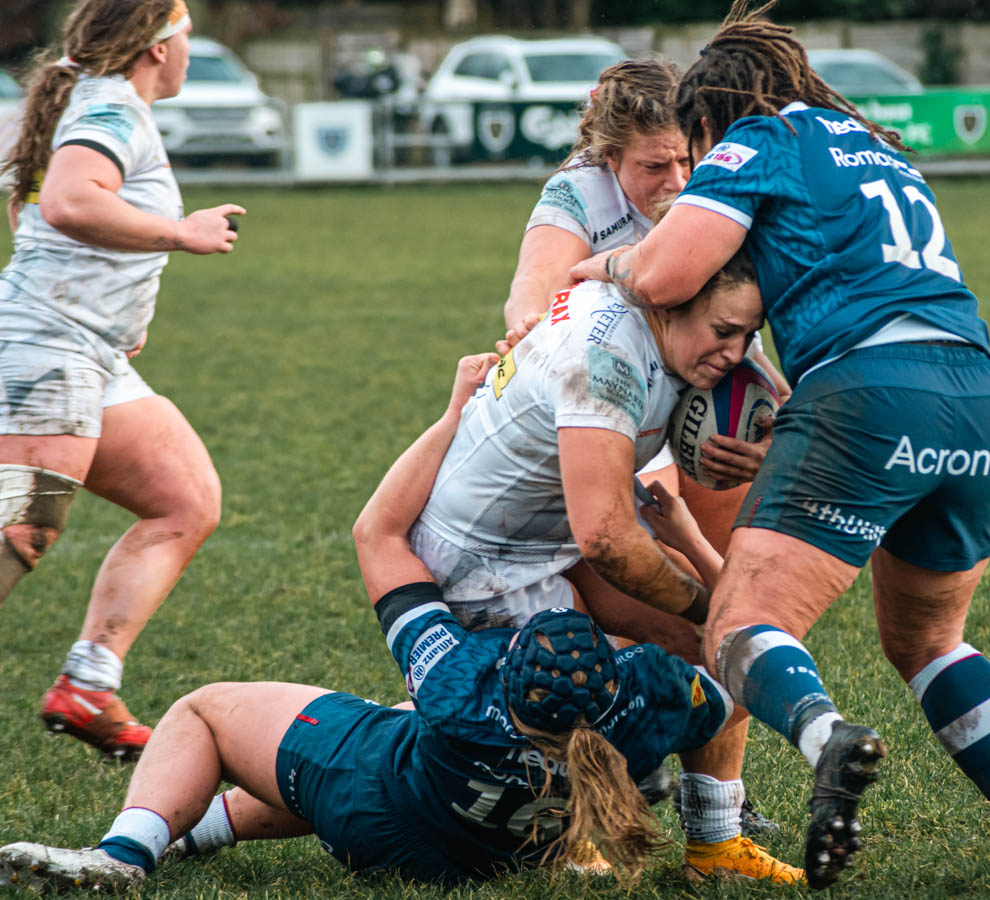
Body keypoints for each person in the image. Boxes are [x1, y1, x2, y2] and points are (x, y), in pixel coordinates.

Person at [569, 1, 990, 890]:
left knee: (737, 624)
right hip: (975, 397)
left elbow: (663, 273)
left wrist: (603, 265)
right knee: (930, 641)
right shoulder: (876, 147)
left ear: (714, 112)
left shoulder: (759, 136)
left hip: (870, 391)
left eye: (697, 140)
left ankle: (826, 739)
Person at [0, 355, 744, 893]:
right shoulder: (647, 712)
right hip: (503, 852)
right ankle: (193, 830)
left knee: (211, 712)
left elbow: (378, 534)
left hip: (380, 819)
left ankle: (122, 855)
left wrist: (453, 414)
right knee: (390, 725)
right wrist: (685, 531)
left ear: (507, 668)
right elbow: (741, 644)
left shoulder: (459, 686)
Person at [394, 251, 801, 883]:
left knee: (736, 650)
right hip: (487, 565)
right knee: (562, 710)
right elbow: (609, 540)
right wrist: (710, 605)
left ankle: (714, 844)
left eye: (749, 334)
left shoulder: (676, 312)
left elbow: (789, 407)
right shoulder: (605, 361)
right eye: (725, 332)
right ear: (669, 302)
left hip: (553, 539)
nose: (737, 352)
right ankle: (400, 735)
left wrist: (772, 438)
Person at [502, 55, 786, 844]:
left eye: (685, 159)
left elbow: (748, 312)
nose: (675, 180)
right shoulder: (577, 193)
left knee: (730, 596)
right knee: (646, 600)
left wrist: (771, 420)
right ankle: (628, 764)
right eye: (653, 166)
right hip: (611, 413)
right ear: (607, 157)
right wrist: (531, 324)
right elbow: (535, 287)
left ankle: (718, 798)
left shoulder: (716, 178)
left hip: (703, 399)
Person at [0, 0, 242, 761]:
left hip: (83, 351)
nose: (190, 51)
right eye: (188, 37)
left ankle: (89, 683)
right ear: (158, 47)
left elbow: (27, 210)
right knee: (20, 530)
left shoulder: (87, 98)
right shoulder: (112, 109)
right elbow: (70, 202)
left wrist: (102, 303)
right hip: (48, 351)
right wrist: (183, 233)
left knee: (185, 501)